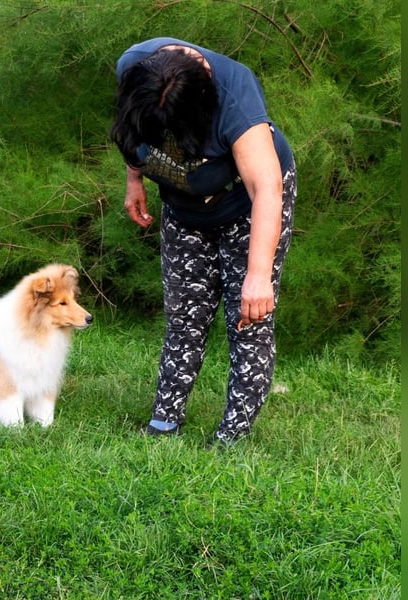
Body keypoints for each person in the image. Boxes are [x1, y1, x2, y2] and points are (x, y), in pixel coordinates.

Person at [109, 37, 296, 446]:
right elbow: (130, 126)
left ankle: (230, 439)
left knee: (248, 318)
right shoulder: (135, 69)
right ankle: (164, 423)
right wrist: (134, 179)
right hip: (184, 207)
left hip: (247, 205)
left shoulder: (236, 97)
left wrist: (258, 275)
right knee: (184, 315)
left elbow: (267, 189)